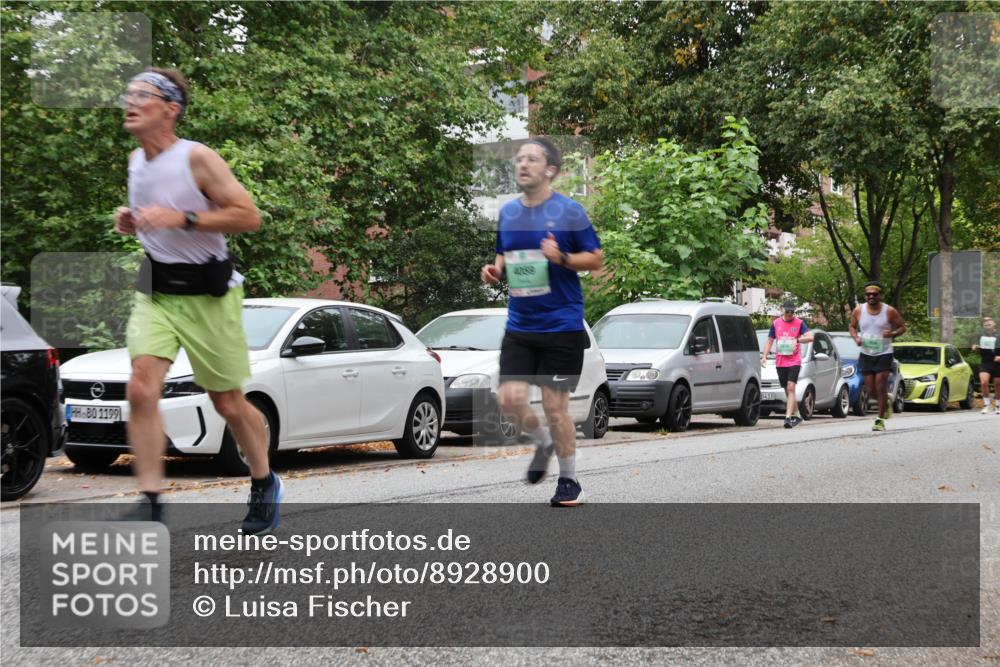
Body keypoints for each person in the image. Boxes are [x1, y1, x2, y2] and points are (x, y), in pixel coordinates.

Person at [115, 68, 282, 533]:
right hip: (157, 293)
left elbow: (248, 216)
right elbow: (157, 219)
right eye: (128, 93)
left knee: (228, 404)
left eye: (142, 95)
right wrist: (131, 220)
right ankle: (151, 502)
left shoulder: (198, 158)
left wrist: (182, 217)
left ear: (170, 109)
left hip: (210, 296)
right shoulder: (135, 161)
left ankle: (264, 480)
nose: (130, 101)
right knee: (141, 388)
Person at [480, 137, 603, 507]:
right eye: (519, 159)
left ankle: (569, 481)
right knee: (509, 400)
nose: (522, 165)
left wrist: (561, 257)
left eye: (531, 159)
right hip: (521, 325)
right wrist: (495, 271)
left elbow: (595, 259)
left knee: (555, 408)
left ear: (549, 170)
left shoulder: (570, 212)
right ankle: (543, 443)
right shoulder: (509, 213)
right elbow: (505, 253)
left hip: (562, 326)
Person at [849, 281, 907, 431]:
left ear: (880, 295)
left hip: (884, 352)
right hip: (866, 353)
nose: (871, 297)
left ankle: (880, 419)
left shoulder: (889, 311)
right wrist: (856, 338)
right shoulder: (859, 310)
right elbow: (852, 326)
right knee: (870, 390)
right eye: (868, 294)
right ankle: (886, 401)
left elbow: (902, 327)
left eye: (874, 294)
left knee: (880, 384)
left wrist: (893, 333)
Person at [760, 300, 814, 428]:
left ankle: (788, 417)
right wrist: (764, 357)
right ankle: (797, 415)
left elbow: (811, 337)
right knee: (787, 389)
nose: (790, 314)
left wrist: (798, 339)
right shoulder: (776, 323)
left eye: (792, 311)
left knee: (791, 388)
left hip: (794, 360)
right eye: (787, 311)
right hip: (780, 361)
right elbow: (769, 341)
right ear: (782, 309)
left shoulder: (799, 323)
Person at [971, 316, 1000, 415]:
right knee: (983, 382)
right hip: (986, 362)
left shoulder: (999, 335)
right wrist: (975, 348)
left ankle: (997, 405)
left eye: (989, 324)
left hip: (998, 363)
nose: (987, 326)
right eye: (986, 325)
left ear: (994, 324)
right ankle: (986, 405)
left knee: (997, 385)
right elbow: (979, 349)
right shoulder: (981, 336)